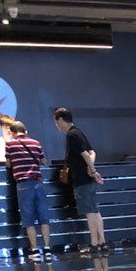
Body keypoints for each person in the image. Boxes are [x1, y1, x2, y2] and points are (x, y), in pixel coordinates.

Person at [52, 107, 107, 257]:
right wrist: (91, 168)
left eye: (56, 122)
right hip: (88, 179)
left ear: (61, 120)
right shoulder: (79, 132)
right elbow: (92, 152)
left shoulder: (72, 135)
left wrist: (93, 170)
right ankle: (102, 243)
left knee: (89, 212)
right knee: (95, 210)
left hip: (82, 180)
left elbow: (86, 154)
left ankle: (94, 244)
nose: (56, 126)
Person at [5, 119, 53, 263]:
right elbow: (44, 161)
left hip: (23, 185)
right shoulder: (36, 143)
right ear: (25, 131)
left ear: (12, 132)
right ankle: (47, 250)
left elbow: (8, 164)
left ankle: (35, 250)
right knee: (43, 217)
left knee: (28, 219)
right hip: (38, 183)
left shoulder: (9, 144)